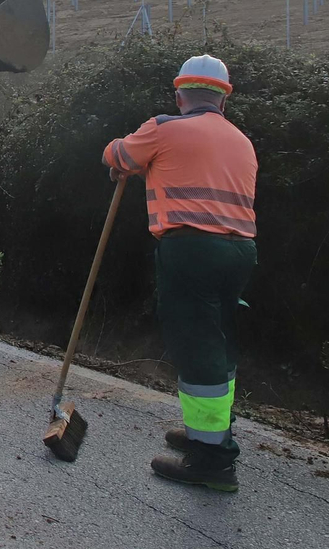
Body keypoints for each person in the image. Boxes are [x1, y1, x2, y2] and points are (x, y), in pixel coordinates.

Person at [102, 54, 258, 492]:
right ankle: (208, 432)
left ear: (179, 95)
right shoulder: (241, 141)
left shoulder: (165, 128)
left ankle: (212, 461)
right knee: (218, 340)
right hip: (241, 251)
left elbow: (116, 154)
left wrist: (127, 161)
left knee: (196, 343)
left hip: (191, 249)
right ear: (223, 99)